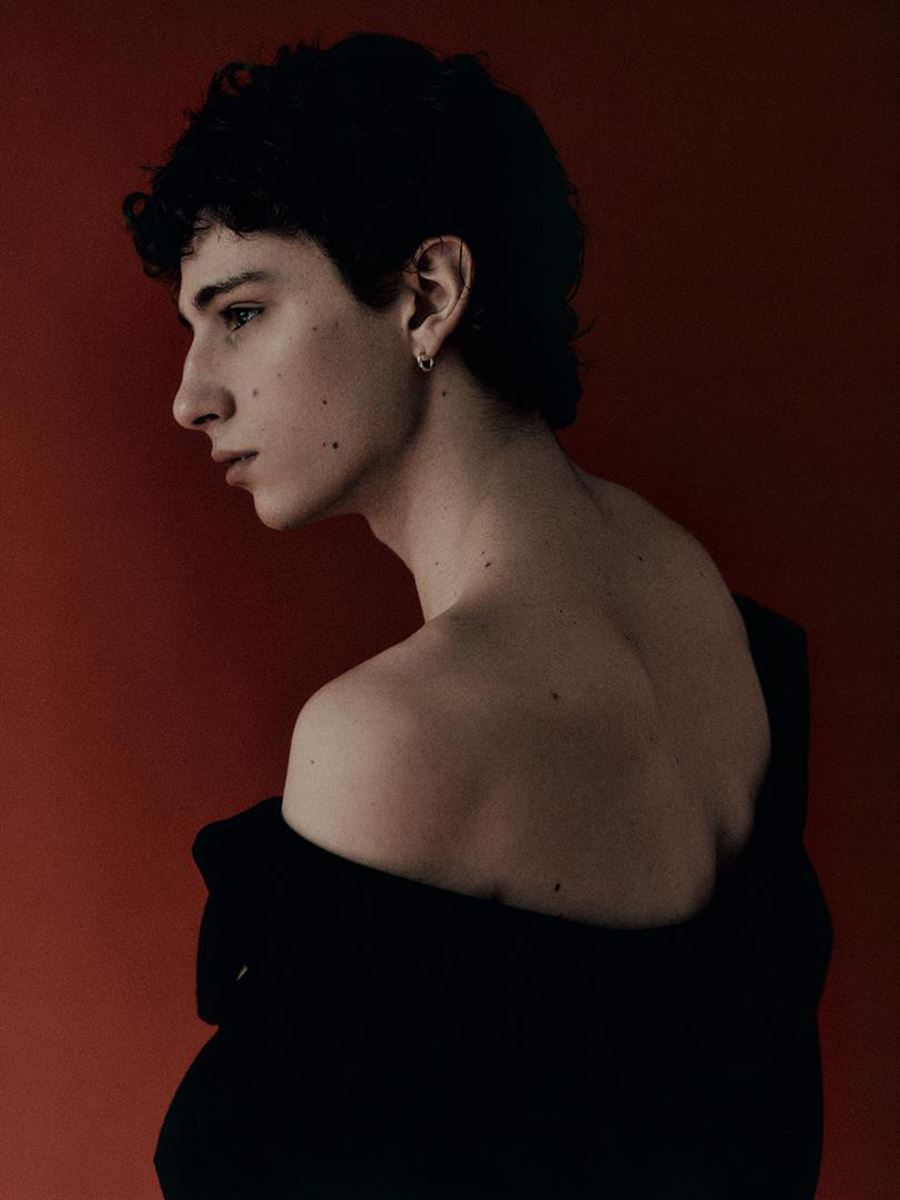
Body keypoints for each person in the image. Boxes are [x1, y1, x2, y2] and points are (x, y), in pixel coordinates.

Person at [122, 31, 832, 1199]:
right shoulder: (684, 585)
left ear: (429, 295)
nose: (190, 397)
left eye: (239, 313)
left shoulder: (390, 736)